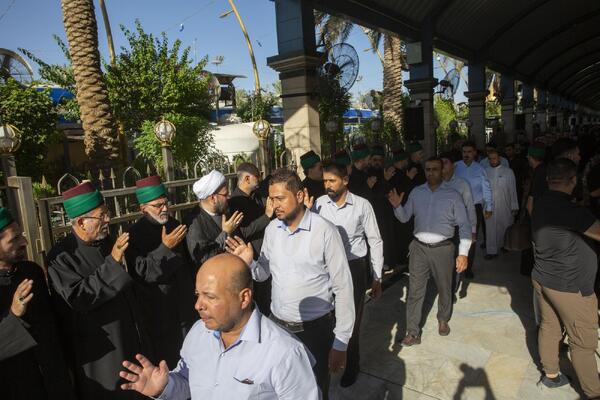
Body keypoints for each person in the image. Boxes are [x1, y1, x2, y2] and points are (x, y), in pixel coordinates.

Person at [226, 169, 355, 399]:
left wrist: (341, 342)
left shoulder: (325, 231)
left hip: (315, 332)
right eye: (271, 199)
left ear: (300, 195)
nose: (274, 205)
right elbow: (263, 274)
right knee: (280, 390)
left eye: (280, 198)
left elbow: (344, 288)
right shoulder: (272, 230)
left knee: (314, 390)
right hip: (278, 328)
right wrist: (250, 263)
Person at [119, 253, 319, 400]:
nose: (198, 305)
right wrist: (163, 388)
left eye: (210, 297)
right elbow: (188, 382)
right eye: (198, 295)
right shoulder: (198, 332)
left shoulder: (285, 352)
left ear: (244, 298)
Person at [47, 182, 150, 399]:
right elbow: (79, 297)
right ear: (81, 222)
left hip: (130, 339)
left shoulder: (105, 241)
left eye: (107, 213)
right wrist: (113, 262)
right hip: (102, 356)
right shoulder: (61, 257)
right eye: (101, 216)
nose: (108, 220)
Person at [531, 158, 600, 399]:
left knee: (549, 326)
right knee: (583, 341)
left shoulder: (541, 202)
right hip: (570, 287)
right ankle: (594, 392)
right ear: (573, 180)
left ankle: (551, 375)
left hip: (543, 277)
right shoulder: (572, 212)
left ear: (549, 180)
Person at [314, 161, 383, 387]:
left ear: (345, 180)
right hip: (326, 269)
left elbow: (375, 240)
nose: (327, 185)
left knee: (350, 320)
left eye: (332, 181)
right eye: (325, 181)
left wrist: (377, 276)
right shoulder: (318, 205)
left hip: (353, 268)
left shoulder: (362, 205)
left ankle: (352, 365)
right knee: (327, 317)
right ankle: (329, 359)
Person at [388, 157, 471, 345]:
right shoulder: (417, 193)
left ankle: (443, 319)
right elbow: (405, 217)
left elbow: (464, 225)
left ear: (442, 171)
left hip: (443, 249)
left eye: (435, 169)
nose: (431, 172)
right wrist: (397, 206)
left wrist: (463, 253)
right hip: (419, 248)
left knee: (444, 287)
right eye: (428, 169)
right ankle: (412, 332)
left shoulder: (453, 195)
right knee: (415, 291)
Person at [0, 208, 75, 400]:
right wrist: (14, 315)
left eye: (21, 235)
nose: (24, 242)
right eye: (14, 239)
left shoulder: (31, 271)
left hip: (56, 382)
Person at [125, 176, 196, 368]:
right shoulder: (133, 235)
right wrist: (165, 248)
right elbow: (142, 272)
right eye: (158, 205)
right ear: (143, 208)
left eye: (165, 203)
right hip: (160, 313)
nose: (164, 209)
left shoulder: (174, 225)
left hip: (185, 306)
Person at [185, 170, 271, 267]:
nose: (229, 197)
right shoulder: (193, 223)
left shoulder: (224, 210)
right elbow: (203, 259)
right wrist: (225, 233)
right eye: (225, 195)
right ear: (213, 198)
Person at [228, 162, 273, 314]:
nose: (259, 180)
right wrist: (266, 216)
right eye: (257, 177)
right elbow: (244, 231)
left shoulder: (255, 196)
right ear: (247, 179)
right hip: (251, 258)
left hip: (264, 254)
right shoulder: (235, 202)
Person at [454, 140, 493, 278]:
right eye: (464, 152)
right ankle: (456, 263)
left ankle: (468, 267)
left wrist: (489, 207)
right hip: (458, 206)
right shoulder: (455, 167)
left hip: (475, 207)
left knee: (472, 238)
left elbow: (486, 189)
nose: (466, 154)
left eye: (469, 152)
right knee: (456, 236)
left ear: (475, 153)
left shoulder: (480, 169)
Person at [440, 152, 477, 298]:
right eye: (440, 163)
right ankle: (444, 287)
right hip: (439, 229)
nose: (442, 166)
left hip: (457, 228)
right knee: (442, 262)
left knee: (456, 259)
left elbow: (470, 208)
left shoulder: (462, 184)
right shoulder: (434, 184)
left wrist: (473, 230)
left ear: (453, 166)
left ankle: (451, 291)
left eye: (445, 162)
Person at [367, 144, 400, 269]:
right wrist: (384, 180)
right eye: (375, 160)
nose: (377, 163)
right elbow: (373, 194)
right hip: (374, 212)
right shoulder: (367, 174)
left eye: (380, 160)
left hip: (387, 211)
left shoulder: (385, 172)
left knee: (388, 236)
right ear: (370, 160)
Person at [483, 150, 519, 259]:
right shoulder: (485, 172)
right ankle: (491, 251)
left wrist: (514, 206)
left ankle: (505, 245)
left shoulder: (508, 172)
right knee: (490, 228)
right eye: (490, 159)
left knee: (505, 225)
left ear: (499, 159)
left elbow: (513, 190)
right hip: (489, 205)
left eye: (494, 158)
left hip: (505, 204)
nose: (492, 161)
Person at [505, 142, 529, 208]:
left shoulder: (520, 160)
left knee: (517, 201)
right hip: (506, 184)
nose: (507, 152)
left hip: (517, 184)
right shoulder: (504, 161)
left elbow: (525, 172)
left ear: (513, 150)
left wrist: (524, 183)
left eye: (509, 150)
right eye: (506, 150)